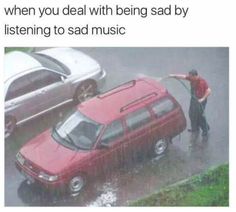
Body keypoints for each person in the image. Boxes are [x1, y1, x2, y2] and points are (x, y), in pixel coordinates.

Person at [169, 70, 211, 137]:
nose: (189, 77)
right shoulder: (192, 78)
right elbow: (184, 76)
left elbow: (209, 91)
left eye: (190, 76)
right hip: (194, 99)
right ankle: (195, 128)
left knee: (200, 116)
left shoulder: (201, 82)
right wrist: (174, 75)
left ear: (195, 76)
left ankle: (205, 129)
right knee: (191, 114)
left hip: (200, 101)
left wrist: (202, 99)